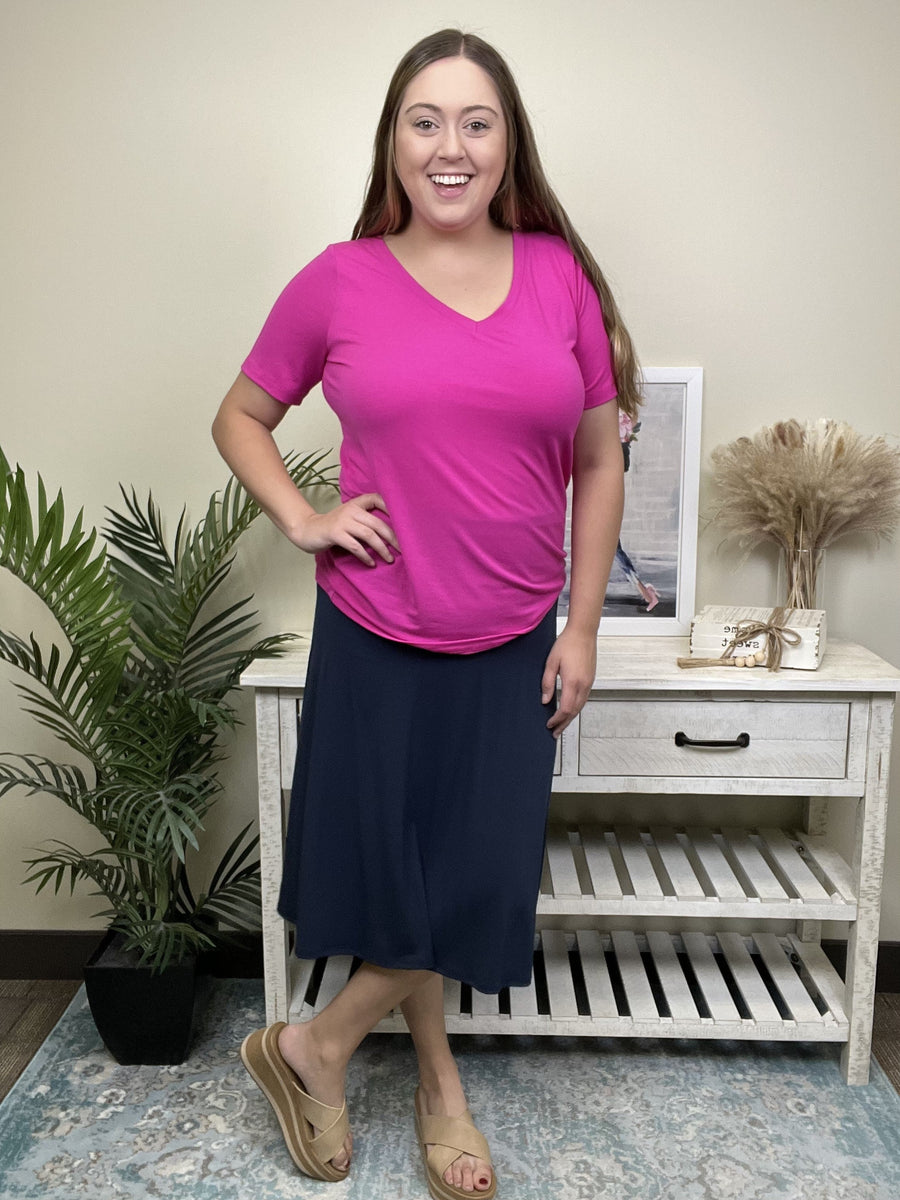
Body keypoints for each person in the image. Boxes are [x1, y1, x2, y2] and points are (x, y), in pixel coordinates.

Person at [212, 28, 639, 1199]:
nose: (451, 146)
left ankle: (315, 1047)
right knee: (397, 883)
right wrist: (305, 518)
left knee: (473, 882)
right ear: (394, 141)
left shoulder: (558, 275)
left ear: (509, 144)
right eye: (426, 120)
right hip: (377, 631)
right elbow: (240, 415)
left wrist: (583, 625)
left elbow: (599, 460)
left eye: (476, 122)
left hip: (513, 639)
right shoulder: (339, 279)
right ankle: (439, 1086)